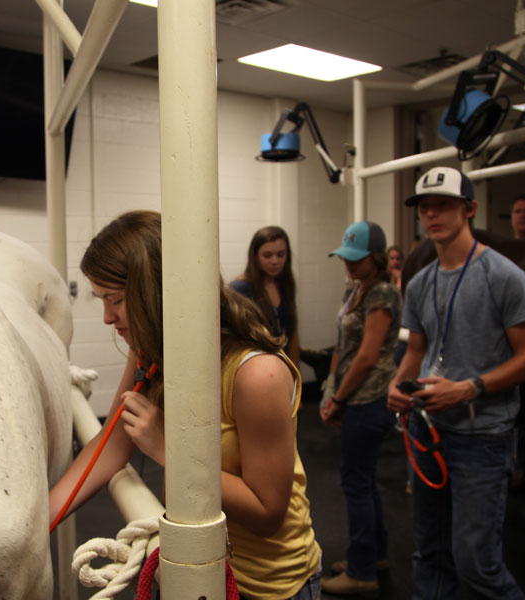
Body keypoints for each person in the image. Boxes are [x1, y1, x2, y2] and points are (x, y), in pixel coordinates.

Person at [49, 210, 322, 600]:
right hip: (193, 568)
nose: (108, 318)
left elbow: (268, 513)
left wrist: (168, 449)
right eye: (102, 301)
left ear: (155, 293)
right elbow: (112, 443)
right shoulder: (149, 351)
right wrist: (38, 521)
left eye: (116, 300)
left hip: (268, 586)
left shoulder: (257, 374)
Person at [386, 166, 525, 600]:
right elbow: (416, 351)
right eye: (424, 207)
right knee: (431, 555)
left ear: (469, 209)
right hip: (428, 430)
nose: (432, 215)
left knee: (477, 563)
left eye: (443, 206)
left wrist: (469, 388)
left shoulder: (505, 277)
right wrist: (399, 385)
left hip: (481, 436)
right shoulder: (419, 283)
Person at [317, 221, 401, 596]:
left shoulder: (381, 293)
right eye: (346, 258)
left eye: (358, 259)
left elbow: (367, 356)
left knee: (356, 484)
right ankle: (374, 555)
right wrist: (330, 388)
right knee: (364, 481)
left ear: (377, 258)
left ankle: (362, 569)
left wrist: (339, 399)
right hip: (352, 395)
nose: (349, 265)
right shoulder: (356, 289)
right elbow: (342, 345)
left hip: (369, 399)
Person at [231, 226, 301, 369]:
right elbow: (236, 343)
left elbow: (292, 331)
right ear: (255, 256)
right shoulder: (241, 288)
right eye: (267, 255)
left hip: (283, 366)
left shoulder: (285, 284)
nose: (275, 261)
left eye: (281, 254)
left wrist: (294, 373)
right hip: (257, 370)